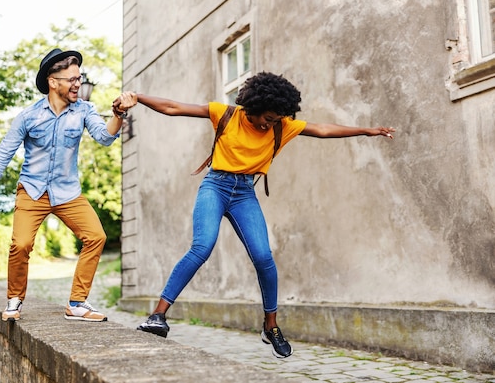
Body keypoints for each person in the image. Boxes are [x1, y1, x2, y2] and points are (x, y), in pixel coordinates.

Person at [116, 72, 395, 358]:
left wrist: (367, 131)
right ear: (253, 106)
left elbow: (322, 129)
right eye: (266, 118)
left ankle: (270, 326)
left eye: (275, 120)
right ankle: (158, 316)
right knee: (202, 247)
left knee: (264, 257)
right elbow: (174, 107)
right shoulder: (225, 114)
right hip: (216, 186)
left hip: (245, 194)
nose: (269, 124)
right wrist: (138, 98)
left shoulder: (281, 127)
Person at [0, 48, 135, 323]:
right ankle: (14, 299)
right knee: (20, 244)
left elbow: (105, 137)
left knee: (96, 236)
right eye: (71, 79)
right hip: (32, 190)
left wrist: (118, 114)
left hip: (67, 192)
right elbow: (4, 152)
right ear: (52, 81)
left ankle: (77, 303)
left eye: (79, 78)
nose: (77, 84)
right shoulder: (29, 116)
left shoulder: (84, 110)